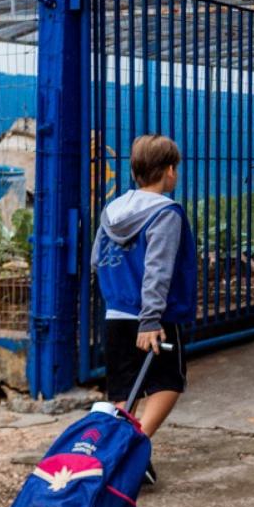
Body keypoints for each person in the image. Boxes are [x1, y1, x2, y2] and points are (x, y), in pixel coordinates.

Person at [91, 134, 198, 485]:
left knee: (124, 390)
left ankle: (116, 454)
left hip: (116, 313)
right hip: (155, 318)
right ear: (169, 171)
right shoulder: (165, 213)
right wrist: (151, 318)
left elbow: (96, 260)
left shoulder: (112, 211)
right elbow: (158, 268)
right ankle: (133, 448)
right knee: (169, 382)